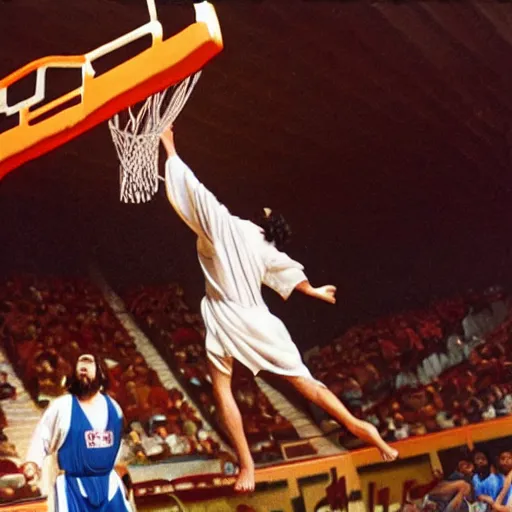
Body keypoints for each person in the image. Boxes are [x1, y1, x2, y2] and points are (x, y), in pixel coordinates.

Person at [160, 126, 398, 492]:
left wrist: (169, 147)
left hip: (228, 315)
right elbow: (289, 272)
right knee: (310, 386)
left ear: (260, 217)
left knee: (222, 389)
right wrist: (313, 291)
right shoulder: (265, 246)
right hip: (260, 321)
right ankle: (363, 430)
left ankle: (247, 466)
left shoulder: (228, 227)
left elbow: (194, 190)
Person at [23, 353, 132, 511]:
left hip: (109, 484)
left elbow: (119, 445)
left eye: (88, 367)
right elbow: (42, 436)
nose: (84, 372)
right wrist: (32, 463)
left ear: (100, 373)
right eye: (80, 370)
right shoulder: (62, 406)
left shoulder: (113, 407)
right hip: (73, 488)